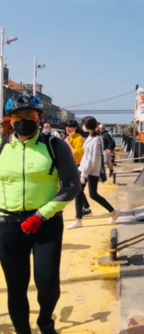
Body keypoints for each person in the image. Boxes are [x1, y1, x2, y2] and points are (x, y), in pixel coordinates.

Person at [0, 93, 80, 334]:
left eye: (29, 115)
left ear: (40, 117)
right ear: (10, 120)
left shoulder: (55, 146)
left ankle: (45, 321)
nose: (23, 120)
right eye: (18, 117)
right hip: (8, 225)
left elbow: (72, 185)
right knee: (16, 286)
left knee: (47, 283)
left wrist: (42, 215)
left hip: (46, 224)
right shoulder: (2, 147)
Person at [67, 117, 118, 229]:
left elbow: (92, 160)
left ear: (87, 126)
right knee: (79, 193)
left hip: (90, 170)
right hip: (85, 169)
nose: (82, 126)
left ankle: (113, 212)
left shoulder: (96, 139)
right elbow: (88, 157)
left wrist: (84, 175)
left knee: (93, 194)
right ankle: (78, 220)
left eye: (83, 124)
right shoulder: (92, 137)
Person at [64, 120, 92, 216]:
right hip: (71, 166)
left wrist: (68, 143)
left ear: (75, 128)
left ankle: (80, 215)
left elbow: (76, 153)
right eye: (67, 127)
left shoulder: (79, 138)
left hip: (79, 166)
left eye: (70, 127)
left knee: (77, 189)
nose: (68, 129)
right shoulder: (68, 137)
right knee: (78, 190)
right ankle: (87, 209)